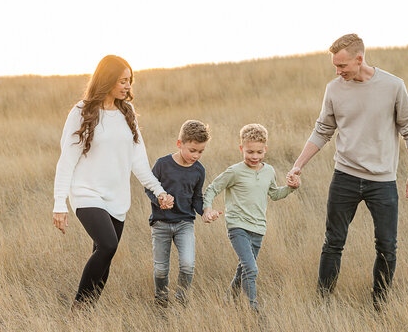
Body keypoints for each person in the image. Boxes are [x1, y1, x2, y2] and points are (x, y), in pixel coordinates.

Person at [287, 34, 408, 311]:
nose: (338, 72)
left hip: (382, 182)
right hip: (344, 178)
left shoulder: (394, 86)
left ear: (360, 59)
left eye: (342, 66)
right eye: (335, 66)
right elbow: (322, 130)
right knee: (333, 242)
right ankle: (322, 303)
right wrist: (298, 165)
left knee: (387, 246)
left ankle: (379, 306)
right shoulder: (334, 89)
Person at [53, 55, 174, 309]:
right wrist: (59, 204)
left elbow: (138, 161)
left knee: (104, 254)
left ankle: (87, 314)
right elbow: (67, 160)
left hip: (116, 198)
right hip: (86, 193)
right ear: (107, 80)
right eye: (122, 81)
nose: (128, 86)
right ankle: (78, 309)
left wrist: (159, 191)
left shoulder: (127, 113)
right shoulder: (82, 112)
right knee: (108, 245)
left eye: (130, 81)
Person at [202, 124, 300, 310]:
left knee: (243, 269)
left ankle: (228, 301)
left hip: (258, 229)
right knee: (251, 269)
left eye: (259, 152)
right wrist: (207, 209)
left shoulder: (269, 171)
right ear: (241, 149)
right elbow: (212, 188)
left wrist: (290, 189)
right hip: (237, 227)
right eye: (249, 152)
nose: (254, 156)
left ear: (265, 149)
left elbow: (274, 194)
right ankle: (253, 308)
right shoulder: (235, 171)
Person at [145, 120, 210, 308]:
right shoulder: (162, 164)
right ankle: (161, 300)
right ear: (179, 143)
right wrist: (159, 199)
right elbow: (149, 187)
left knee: (188, 265)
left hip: (185, 224)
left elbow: (197, 198)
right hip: (161, 224)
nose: (196, 155)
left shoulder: (199, 170)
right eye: (192, 150)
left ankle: (182, 301)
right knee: (160, 270)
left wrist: (205, 211)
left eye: (200, 151)